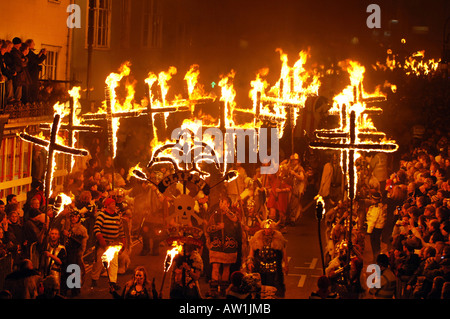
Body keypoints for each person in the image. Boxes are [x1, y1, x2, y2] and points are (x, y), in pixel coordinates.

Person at [206, 196, 243, 297]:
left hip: (229, 245)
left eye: (224, 203)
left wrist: (226, 210)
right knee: (215, 266)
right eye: (220, 202)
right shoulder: (215, 215)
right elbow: (208, 229)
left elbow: (235, 219)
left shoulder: (233, 214)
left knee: (226, 267)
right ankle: (214, 289)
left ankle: (223, 289)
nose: (221, 205)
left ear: (228, 204)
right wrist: (218, 227)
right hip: (217, 245)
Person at [90, 197, 126, 291]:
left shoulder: (117, 216)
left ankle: (113, 282)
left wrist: (123, 243)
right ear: (107, 205)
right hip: (103, 243)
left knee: (114, 264)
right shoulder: (102, 215)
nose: (114, 206)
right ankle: (94, 278)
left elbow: (121, 231)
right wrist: (101, 240)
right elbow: (97, 228)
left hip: (113, 244)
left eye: (114, 204)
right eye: (112, 204)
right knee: (99, 262)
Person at [247, 219, 288, 298]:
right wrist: (250, 261)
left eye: (269, 229)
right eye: (265, 228)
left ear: (272, 229)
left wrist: (286, 264)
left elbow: (283, 251)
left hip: (274, 268)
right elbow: (252, 250)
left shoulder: (278, 237)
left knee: (273, 288)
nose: (267, 230)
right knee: (259, 288)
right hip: (259, 266)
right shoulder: (258, 236)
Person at [61, 208, 88, 297]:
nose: (73, 218)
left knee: (73, 270)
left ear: (78, 218)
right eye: (72, 217)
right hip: (66, 252)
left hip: (75, 253)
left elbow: (79, 243)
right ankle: (64, 289)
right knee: (64, 271)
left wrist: (69, 235)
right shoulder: (66, 226)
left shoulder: (81, 229)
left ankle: (75, 290)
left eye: (75, 217)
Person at [40, 228, 67, 295]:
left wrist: (50, 255)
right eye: (52, 233)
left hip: (56, 273)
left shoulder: (61, 248)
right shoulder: (46, 246)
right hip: (46, 273)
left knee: (56, 293)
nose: (54, 235)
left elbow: (60, 262)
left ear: (58, 236)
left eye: (55, 234)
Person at [366, 191, 387, 263]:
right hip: (379, 227)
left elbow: (372, 220)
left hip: (375, 228)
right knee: (377, 243)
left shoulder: (376, 208)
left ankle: (376, 258)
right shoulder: (381, 207)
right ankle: (376, 258)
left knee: (374, 244)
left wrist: (369, 231)